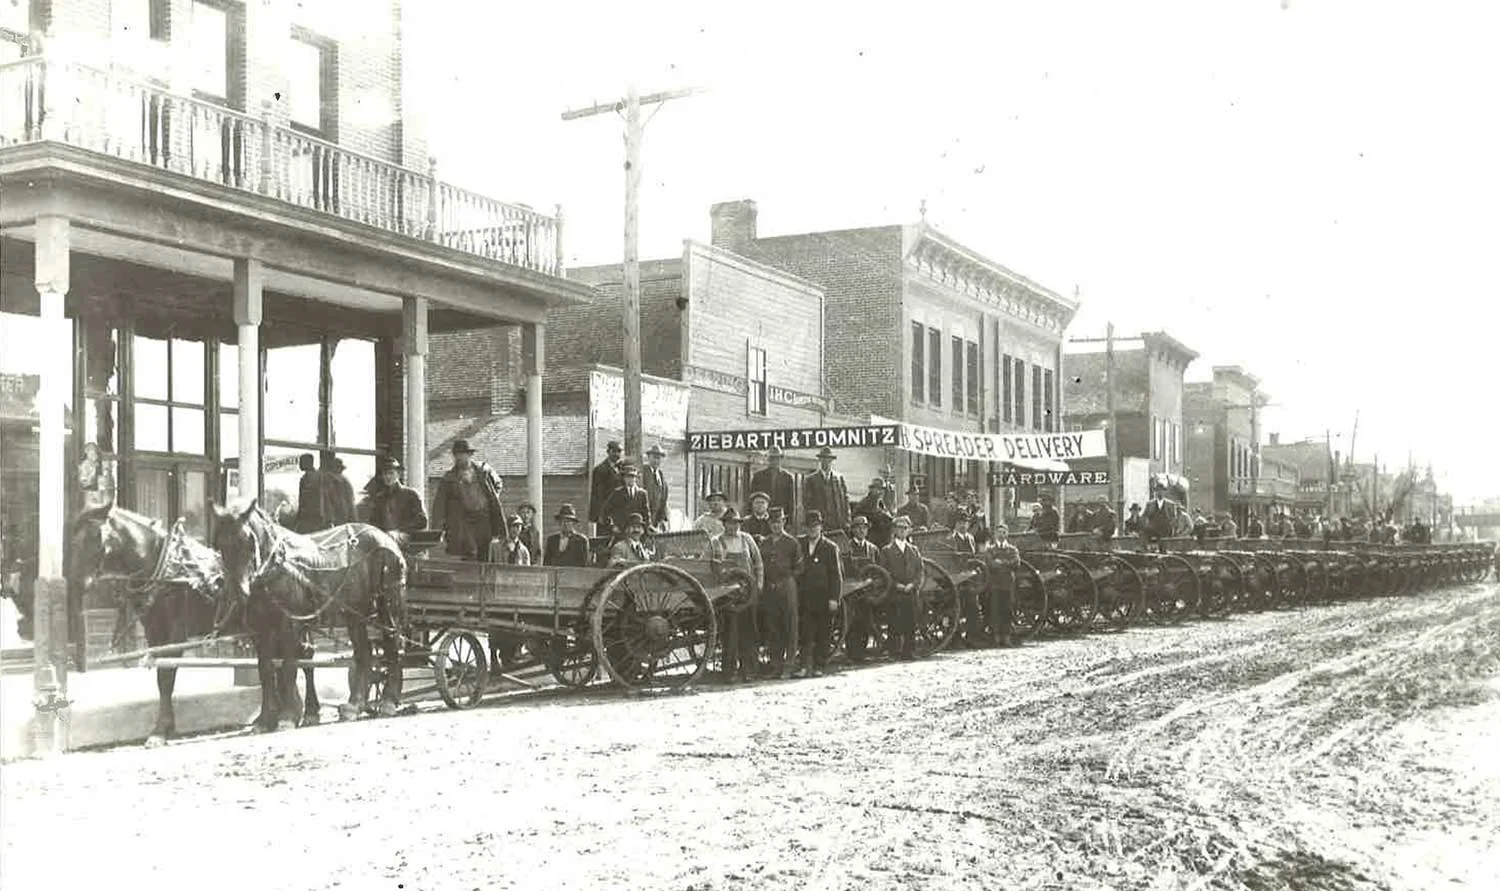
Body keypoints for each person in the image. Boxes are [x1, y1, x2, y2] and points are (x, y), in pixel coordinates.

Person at [708, 507, 764, 684]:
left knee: (750, 632)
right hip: (727, 596)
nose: (733, 527)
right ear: (723, 524)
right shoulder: (716, 542)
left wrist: (759, 583)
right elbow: (706, 564)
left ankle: (749, 671)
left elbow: (758, 564)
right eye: (729, 523)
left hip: (748, 593)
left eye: (736, 523)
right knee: (730, 634)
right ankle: (729, 672)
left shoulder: (747, 539)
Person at [431, 439, 508, 560]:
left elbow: (498, 483)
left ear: (470, 455)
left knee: (484, 554)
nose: (459, 458)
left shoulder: (484, 471)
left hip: (483, 519)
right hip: (463, 522)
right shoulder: (448, 478)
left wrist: (491, 499)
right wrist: (438, 529)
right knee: (468, 555)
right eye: (456, 455)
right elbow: (439, 505)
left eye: (462, 454)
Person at [795, 510, 843, 677]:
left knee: (823, 633)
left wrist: (834, 598)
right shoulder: (799, 544)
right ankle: (803, 666)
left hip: (823, 597)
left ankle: (819, 666)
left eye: (815, 526)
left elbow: (836, 575)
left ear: (821, 527)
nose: (812, 530)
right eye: (809, 527)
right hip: (805, 597)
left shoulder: (830, 548)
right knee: (805, 633)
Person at [758, 507, 802, 679]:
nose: (776, 525)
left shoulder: (792, 543)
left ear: (784, 522)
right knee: (772, 626)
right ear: (769, 524)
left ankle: (789, 666)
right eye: (773, 523)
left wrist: (786, 577)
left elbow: (800, 567)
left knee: (789, 625)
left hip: (787, 586)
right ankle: (775, 665)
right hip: (770, 587)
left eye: (779, 522)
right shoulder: (765, 543)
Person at [877, 515, 923, 660]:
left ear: (908, 530)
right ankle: (894, 652)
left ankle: (909, 651)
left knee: (910, 622)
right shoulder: (886, 550)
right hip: (894, 592)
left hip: (910, 591)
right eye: (899, 528)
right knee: (894, 622)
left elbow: (920, 570)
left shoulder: (914, 550)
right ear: (894, 530)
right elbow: (884, 571)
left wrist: (913, 584)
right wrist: (896, 584)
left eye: (904, 528)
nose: (902, 531)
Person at [841, 514, 881, 664]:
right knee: (852, 624)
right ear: (853, 530)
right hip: (851, 592)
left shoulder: (873, 549)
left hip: (868, 593)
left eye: (864, 528)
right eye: (858, 528)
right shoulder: (846, 548)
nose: (861, 531)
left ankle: (862, 653)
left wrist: (873, 584)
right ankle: (851, 654)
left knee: (866, 622)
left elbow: (879, 570)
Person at [360, 457, 428, 539]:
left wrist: (399, 531)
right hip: (385, 539)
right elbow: (374, 522)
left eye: (391, 473)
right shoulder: (379, 498)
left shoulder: (411, 494)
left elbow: (422, 521)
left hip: (407, 538)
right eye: (385, 474)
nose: (387, 477)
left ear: (398, 474)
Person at [983, 524, 1021, 647]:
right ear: (995, 534)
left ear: (1007, 534)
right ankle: (996, 637)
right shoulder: (990, 549)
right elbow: (990, 564)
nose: (1001, 535)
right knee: (995, 610)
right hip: (994, 584)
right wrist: (1006, 564)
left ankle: (1006, 637)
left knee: (1008, 610)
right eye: (999, 532)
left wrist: (1001, 562)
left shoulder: (1012, 549)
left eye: (1003, 532)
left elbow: (1016, 563)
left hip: (1008, 584)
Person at [801, 447, 851, 532]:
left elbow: (845, 502)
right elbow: (807, 504)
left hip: (838, 524)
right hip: (820, 524)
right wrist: (813, 523)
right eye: (824, 459)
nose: (826, 462)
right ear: (820, 460)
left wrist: (847, 521)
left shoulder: (839, 478)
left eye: (829, 459)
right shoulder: (811, 480)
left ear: (831, 461)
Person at [748, 446, 797, 531]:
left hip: (780, 518)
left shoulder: (787, 477)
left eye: (777, 458)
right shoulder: (758, 476)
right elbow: (752, 499)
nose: (774, 461)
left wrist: (790, 523)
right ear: (768, 459)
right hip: (763, 518)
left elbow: (791, 502)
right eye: (772, 458)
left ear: (781, 459)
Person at [599, 464, 651, 537]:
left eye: (632, 477)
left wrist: (645, 528)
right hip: (621, 532)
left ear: (636, 478)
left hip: (637, 532)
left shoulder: (642, 494)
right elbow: (604, 512)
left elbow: (646, 514)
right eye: (628, 477)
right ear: (624, 478)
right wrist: (612, 526)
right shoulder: (617, 493)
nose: (630, 479)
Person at [589, 440, 624, 534]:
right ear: (608, 452)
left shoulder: (622, 469)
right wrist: (601, 516)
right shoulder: (600, 470)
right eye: (614, 451)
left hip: (620, 513)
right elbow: (598, 495)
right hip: (606, 514)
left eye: (619, 451)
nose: (617, 454)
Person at [853, 479, 896, 547]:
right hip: (870, 536)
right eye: (878, 489)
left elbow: (886, 515)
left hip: (881, 536)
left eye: (882, 489)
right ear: (871, 490)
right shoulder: (865, 503)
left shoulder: (880, 502)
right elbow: (875, 514)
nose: (881, 492)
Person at [292, 453, 328, 533]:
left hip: (310, 518)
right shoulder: (319, 476)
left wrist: (299, 518)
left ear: (307, 463)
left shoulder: (307, 478)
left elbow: (304, 501)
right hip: (319, 517)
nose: (299, 465)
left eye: (301, 462)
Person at [321, 453, 357, 527]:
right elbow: (351, 501)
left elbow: (327, 501)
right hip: (344, 514)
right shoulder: (345, 480)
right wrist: (354, 518)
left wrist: (329, 519)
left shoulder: (329, 480)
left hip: (336, 515)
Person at [78, 442, 115, 511]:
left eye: (95, 454)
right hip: (89, 493)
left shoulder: (99, 465)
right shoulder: (84, 465)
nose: (94, 456)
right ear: (87, 454)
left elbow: (104, 482)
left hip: (99, 493)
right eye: (91, 454)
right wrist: (92, 474)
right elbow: (84, 482)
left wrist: (107, 471)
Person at [641, 444, 671, 531]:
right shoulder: (643, 471)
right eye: (654, 457)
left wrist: (661, 520)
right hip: (643, 519)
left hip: (655, 520)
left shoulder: (661, 476)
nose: (656, 461)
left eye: (658, 458)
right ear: (649, 457)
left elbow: (663, 500)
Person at [1142, 487, 1177, 552]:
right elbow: (1144, 516)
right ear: (1156, 492)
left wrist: (1172, 529)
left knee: (1164, 548)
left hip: (1165, 529)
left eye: (1161, 491)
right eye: (1158, 491)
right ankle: (1145, 549)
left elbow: (1174, 518)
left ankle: (1163, 550)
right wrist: (1146, 525)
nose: (1160, 492)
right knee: (1144, 533)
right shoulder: (1150, 504)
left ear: (1164, 492)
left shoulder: (1170, 504)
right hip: (1153, 528)